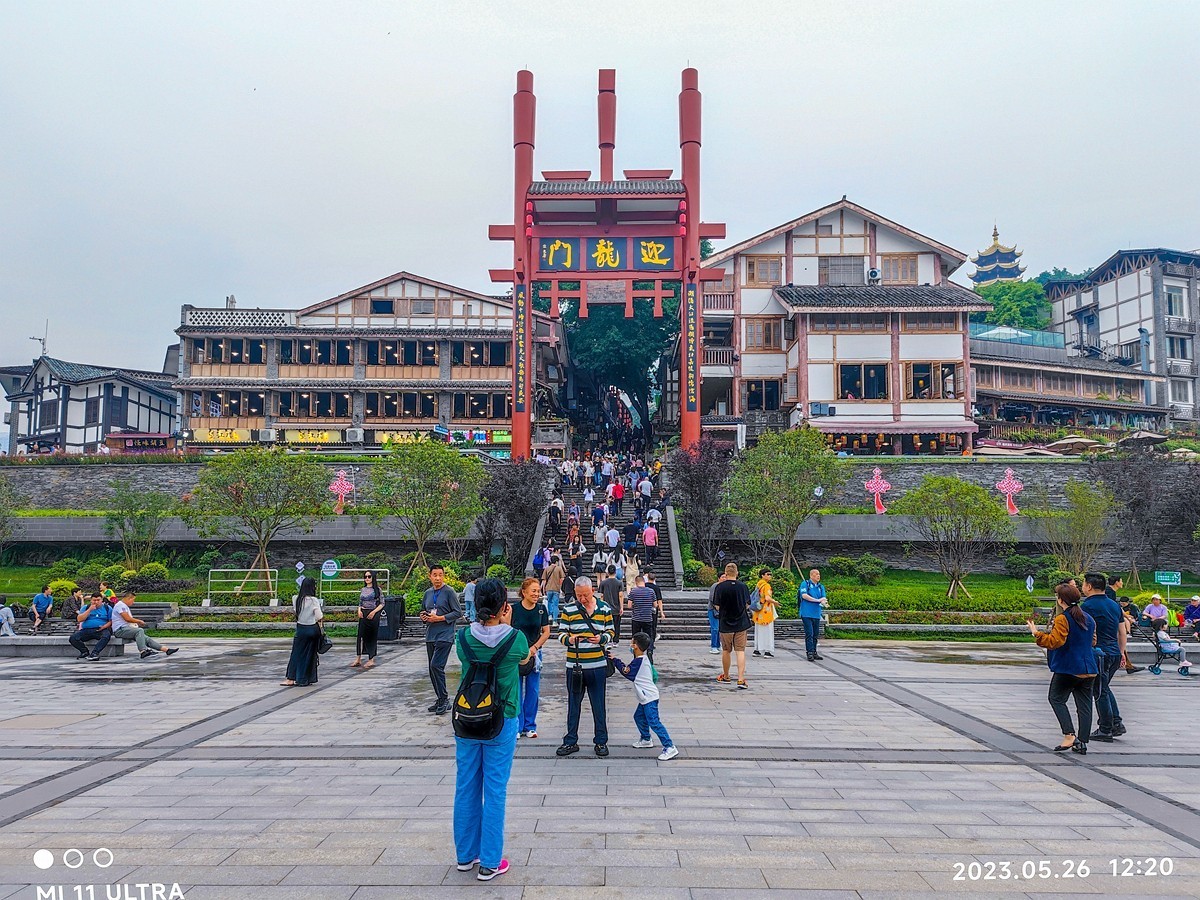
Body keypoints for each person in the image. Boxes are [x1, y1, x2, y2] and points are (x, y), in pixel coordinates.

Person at [453, 577, 532, 882]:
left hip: (467, 719)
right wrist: (506, 621)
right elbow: (524, 659)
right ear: (504, 606)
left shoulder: (463, 639)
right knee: (495, 788)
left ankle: (465, 856)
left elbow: (471, 655)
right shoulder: (515, 640)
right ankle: (489, 861)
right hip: (502, 718)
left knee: (466, 785)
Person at [1027, 582, 1097, 754]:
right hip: (1089, 668)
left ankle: (1069, 735)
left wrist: (1036, 634)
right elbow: (1093, 641)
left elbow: (1055, 642)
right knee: (1085, 705)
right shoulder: (1088, 618)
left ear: (1060, 600)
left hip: (1069, 668)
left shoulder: (1062, 619)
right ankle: (1082, 742)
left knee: (1056, 698)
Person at [555, 575, 613, 758]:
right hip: (575, 665)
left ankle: (601, 741)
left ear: (593, 590)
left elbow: (611, 631)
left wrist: (602, 638)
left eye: (585, 595)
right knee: (574, 704)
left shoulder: (604, 608)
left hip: (597, 665)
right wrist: (570, 639)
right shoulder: (569, 609)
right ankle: (570, 740)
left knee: (599, 705)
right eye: (579, 595)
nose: (582, 599)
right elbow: (561, 634)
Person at [609, 632, 678, 760]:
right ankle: (646, 739)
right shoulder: (643, 659)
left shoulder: (639, 661)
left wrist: (615, 660)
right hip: (646, 696)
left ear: (635, 646)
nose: (630, 644)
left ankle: (669, 746)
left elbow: (626, 672)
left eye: (631, 642)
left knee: (654, 722)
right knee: (638, 717)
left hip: (649, 697)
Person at [1080, 572, 1126, 743]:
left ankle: (1105, 729)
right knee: (1104, 687)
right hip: (1114, 652)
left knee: (1099, 691)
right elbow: (1122, 632)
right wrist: (1121, 652)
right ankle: (1116, 723)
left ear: (1089, 586)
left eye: (1083, 584)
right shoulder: (1114, 605)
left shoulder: (1086, 606)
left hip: (1099, 653)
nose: (1082, 587)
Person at [512, 578, 551, 738]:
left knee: (533, 690)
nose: (537, 594)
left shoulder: (541, 610)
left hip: (535, 653)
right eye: (533, 591)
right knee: (516, 690)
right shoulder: (513, 609)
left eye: (538, 591)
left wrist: (534, 648)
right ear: (524, 592)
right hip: (517, 654)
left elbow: (546, 632)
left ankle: (530, 725)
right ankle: (517, 726)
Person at [422, 564, 462, 715]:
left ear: (444, 576)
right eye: (434, 575)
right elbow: (424, 610)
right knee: (432, 669)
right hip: (431, 635)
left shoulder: (449, 592)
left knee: (436, 666)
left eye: (440, 575)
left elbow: (457, 612)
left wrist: (440, 618)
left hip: (445, 635)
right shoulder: (428, 593)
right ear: (430, 576)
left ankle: (444, 699)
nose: (437, 578)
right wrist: (424, 616)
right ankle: (440, 698)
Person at [712, 563, 751, 689]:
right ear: (737, 573)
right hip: (741, 623)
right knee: (740, 651)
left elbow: (716, 606)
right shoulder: (743, 586)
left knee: (726, 650)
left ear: (726, 573)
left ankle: (726, 676)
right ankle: (740, 679)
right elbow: (747, 605)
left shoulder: (720, 587)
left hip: (725, 623)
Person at [110, 591, 179, 659]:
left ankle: (166, 650)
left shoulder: (124, 606)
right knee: (139, 631)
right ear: (129, 598)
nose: (133, 602)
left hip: (126, 629)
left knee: (146, 638)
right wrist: (139, 621)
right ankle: (143, 651)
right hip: (120, 630)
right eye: (133, 600)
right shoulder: (120, 605)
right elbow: (127, 619)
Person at [281, 577, 323, 687]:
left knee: (296, 653)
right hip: (312, 629)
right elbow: (319, 616)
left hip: (301, 629)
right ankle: (305, 678)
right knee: (310, 654)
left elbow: (296, 612)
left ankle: (291, 678)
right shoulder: (314, 600)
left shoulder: (296, 599)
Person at [626, 575, 663, 663]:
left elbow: (629, 605)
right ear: (644, 581)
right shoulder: (651, 591)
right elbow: (655, 605)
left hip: (636, 618)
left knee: (636, 637)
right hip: (648, 618)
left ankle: (636, 655)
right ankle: (649, 650)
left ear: (636, 582)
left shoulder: (633, 591)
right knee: (649, 636)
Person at [351, 570, 383, 669]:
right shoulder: (363, 589)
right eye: (365, 577)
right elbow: (360, 602)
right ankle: (358, 658)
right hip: (363, 613)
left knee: (371, 636)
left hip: (373, 613)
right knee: (360, 636)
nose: (367, 579)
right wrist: (359, 610)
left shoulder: (377, 589)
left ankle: (371, 658)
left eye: (369, 576)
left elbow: (382, 603)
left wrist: (373, 612)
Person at [68, 592, 113, 660]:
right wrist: (89, 610)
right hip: (87, 630)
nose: (96, 602)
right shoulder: (86, 608)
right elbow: (79, 619)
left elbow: (111, 621)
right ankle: (84, 651)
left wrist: (104, 627)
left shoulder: (107, 608)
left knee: (106, 636)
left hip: (100, 629)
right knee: (73, 638)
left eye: (98, 600)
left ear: (102, 600)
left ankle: (95, 653)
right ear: (91, 600)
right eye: (94, 600)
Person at [798, 569, 829, 661]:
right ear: (811, 576)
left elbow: (823, 597)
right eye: (816, 574)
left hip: (816, 613)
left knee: (815, 634)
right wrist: (817, 600)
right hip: (806, 613)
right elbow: (804, 595)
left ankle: (814, 651)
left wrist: (823, 601)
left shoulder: (820, 586)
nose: (818, 576)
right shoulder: (805, 584)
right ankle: (809, 652)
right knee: (809, 633)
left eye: (819, 574)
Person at [751, 568, 777, 658]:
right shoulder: (766, 586)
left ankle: (757, 649)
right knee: (768, 631)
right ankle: (767, 650)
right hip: (766, 611)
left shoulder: (759, 584)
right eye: (767, 574)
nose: (769, 576)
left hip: (758, 611)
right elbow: (767, 598)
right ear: (762, 575)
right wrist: (775, 602)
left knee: (758, 631)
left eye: (770, 574)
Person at [599, 566, 624, 644]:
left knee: (606, 625)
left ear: (607, 572)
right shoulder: (619, 583)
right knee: (616, 625)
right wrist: (621, 607)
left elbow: (601, 596)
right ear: (615, 572)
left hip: (606, 608)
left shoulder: (603, 582)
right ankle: (615, 641)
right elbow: (620, 595)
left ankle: (608, 639)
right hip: (616, 607)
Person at [541, 553, 565, 623]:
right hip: (556, 588)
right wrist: (561, 588)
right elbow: (562, 579)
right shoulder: (559, 569)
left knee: (549, 602)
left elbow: (544, 580)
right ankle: (555, 620)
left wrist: (543, 590)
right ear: (557, 561)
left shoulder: (547, 569)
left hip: (548, 588)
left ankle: (550, 615)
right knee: (555, 604)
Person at [706, 571, 725, 654]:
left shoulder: (724, 587)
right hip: (713, 609)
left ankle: (717, 645)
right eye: (723, 577)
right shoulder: (715, 586)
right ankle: (713, 646)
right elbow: (712, 598)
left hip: (721, 610)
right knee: (715, 628)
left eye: (725, 577)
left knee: (719, 628)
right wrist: (717, 607)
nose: (724, 578)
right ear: (719, 578)